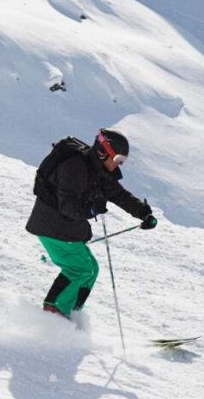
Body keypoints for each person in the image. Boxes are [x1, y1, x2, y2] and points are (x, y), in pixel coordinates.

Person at [26, 127, 158, 321]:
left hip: (66, 228)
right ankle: (53, 316)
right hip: (51, 225)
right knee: (80, 269)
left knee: (91, 270)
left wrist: (142, 212)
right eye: (118, 160)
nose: (119, 165)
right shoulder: (74, 167)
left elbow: (117, 194)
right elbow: (67, 206)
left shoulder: (98, 169)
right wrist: (92, 209)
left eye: (122, 162)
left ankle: (71, 313)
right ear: (103, 152)